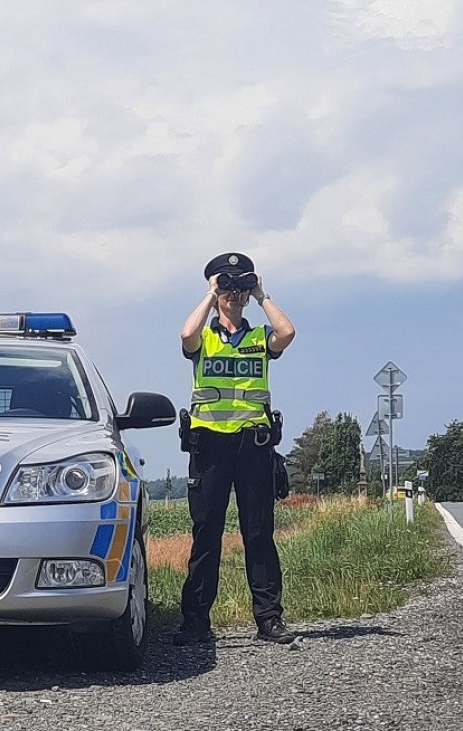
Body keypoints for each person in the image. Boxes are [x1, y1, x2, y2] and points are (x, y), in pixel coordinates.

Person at [173, 252, 297, 646]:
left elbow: (287, 332)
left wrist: (260, 293)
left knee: (259, 533)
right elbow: (186, 335)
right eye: (228, 286)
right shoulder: (206, 338)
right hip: (209, 446)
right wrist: (211, 296)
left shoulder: (259, 338)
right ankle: (195, 623)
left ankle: (269, 619)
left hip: (253, 445)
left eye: (238, 287)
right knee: (206, 533)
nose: (234, 294)